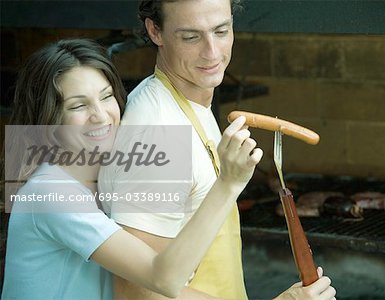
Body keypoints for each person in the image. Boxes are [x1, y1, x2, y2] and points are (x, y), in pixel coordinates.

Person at [99, 0, 337, 299]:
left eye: (221, 31)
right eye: (191, 36)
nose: (212, 53)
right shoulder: (158, 133)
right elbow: (137, 293)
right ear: (155, 31)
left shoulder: (190, 102)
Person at [1, 38, 263, 299]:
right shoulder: (51, 192)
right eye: (79, 105)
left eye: (106, 97)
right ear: (50, 118)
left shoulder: (107, 181)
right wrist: (228, 183)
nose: (101, 116)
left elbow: (161, 286)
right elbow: (164, 279)